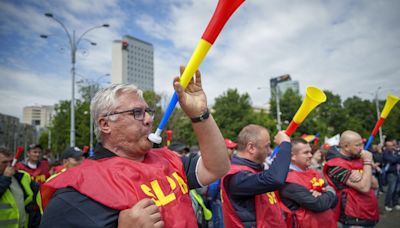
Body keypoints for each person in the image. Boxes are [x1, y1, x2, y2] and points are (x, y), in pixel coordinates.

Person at [40, 67, 230, 227]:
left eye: (147, 112)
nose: (148, 119)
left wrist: (200, 114)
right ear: (105, 124)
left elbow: (218, 167)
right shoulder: (75, 192)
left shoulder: (167, 159)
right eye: (137, 113)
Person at [221, 124, 291, 227]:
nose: (269, 151)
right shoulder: (237, 176)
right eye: (266, 146)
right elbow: (275, 179)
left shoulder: (252, 170)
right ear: (251, 148)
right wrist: (285, 145)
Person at [323, 130, 379, 227]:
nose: (362, 149)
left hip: (369, 213)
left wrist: (362, 174)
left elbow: (374, 184)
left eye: (362, 144)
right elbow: (364, 187)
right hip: (354, 217)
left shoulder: (357, 158)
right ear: (346, 147)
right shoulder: (334, 165)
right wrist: (367, 162)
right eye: (357, 145)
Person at [279, 138, 337, 228]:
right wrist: (328, 192)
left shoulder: (313, 172)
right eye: (306, 153)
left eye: (310, 152)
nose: (310, 155)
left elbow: (334, 201)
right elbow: (317, 204)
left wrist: (324, 194)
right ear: (293, 156)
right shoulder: (288, 180)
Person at [0, 147, 41, 228]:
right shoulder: (7, 178)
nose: (9, 165)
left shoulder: (22, 176)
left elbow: (35, 198)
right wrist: (5, 178)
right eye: (4, 162)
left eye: (11, 161)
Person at [382, 139, 400, 211]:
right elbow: (393, 160)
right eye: (389, 146)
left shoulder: (395, 152)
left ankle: (395, 203)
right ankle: (387, 204)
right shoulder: (386, 153)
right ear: (386, 146)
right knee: (391, 190)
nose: (391, 146)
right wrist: (397, 158)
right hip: (391, 174)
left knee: (397, 189)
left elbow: (396, 160)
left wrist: (396, 158)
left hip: (397, 172)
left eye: (392, 145)